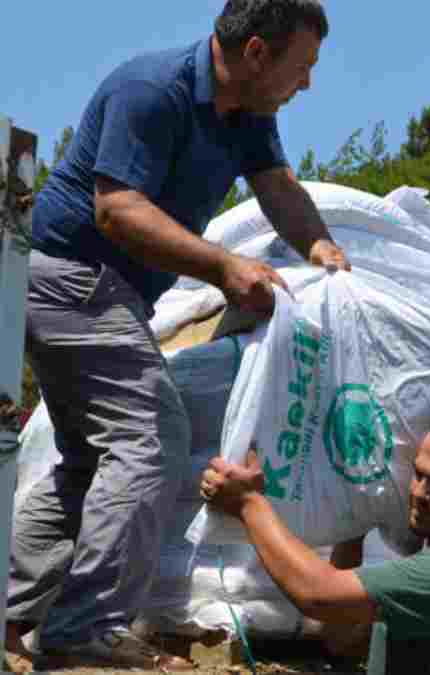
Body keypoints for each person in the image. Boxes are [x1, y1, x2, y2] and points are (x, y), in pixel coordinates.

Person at [7, 1, 348, 670]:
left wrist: (323, 248)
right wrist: (223, 265)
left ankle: (13, 611)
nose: (306, 83)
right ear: (256, 53)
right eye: (302, 66)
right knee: (150, 435)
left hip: (106, 291)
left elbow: (278, 189)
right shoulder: (151, 91)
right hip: (72, 277)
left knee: (86, 460)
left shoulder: (249, 115)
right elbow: (117, 208)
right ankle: (84, 629)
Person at [200, 408, 430, 674]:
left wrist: (248, 503)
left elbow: (318, 596)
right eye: (419, 475)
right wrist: (353, 523)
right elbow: (342, 642)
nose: (419, 493)